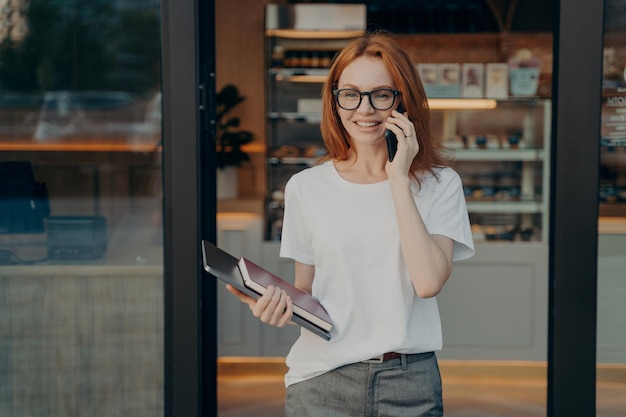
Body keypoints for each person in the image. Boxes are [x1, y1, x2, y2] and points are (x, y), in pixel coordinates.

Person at [227, 31, 475, 417]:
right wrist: (277, 305)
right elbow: (308, 293)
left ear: (402, 100)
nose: (365, 108)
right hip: (321, 381)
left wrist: (397, 178)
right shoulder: (306, 187)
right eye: (351, 94)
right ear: (335, 101)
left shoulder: (440, 186)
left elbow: (427, 283)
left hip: (408, 384)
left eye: (380, 94)